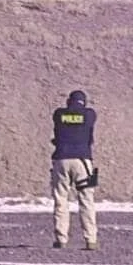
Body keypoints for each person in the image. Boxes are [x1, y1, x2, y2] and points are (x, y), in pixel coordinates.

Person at [50, 90, 99, 250]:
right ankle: (90, 239)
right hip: (82, 160)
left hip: (62, 159)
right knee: (86, 200)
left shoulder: (59, 114)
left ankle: (61, 238)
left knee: (61, 199)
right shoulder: (89, 114)